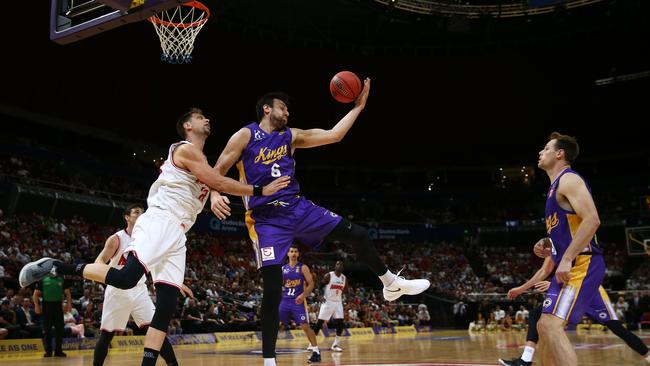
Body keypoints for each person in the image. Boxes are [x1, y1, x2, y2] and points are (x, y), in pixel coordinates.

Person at [19, 108, 290, 366]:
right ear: (188, 125)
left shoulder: (202, 162)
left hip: (179, 233)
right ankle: (56, 265)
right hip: (162, 219)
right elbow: (215, 180)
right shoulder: (185, 149)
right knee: (126, 279)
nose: (207, 119)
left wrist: (216, 194)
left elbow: (212, 181)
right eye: (200, 117)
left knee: (166, 306)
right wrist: (258, 190)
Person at [209, 79, 431, 366]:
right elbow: (217, 170)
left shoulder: (291, 136)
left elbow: (334, 135)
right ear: (267, 109)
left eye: (288, 110)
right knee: (273, 288)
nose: (287, 113)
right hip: (266, 220)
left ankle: (390, 283)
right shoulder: (245, 135)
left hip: (297, 207)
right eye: (282, 108)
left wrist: (358, 107)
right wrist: (214, 194)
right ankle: (268, 361)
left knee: (358, 234)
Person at [499, 248, 650, 365]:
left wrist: (551, 283)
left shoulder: (576, 233)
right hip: (568, 289)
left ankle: (648, 356)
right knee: (537, 316)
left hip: (589, 288)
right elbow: (545, 270)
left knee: (617, 328)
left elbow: (584, 269)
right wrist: (521, 288)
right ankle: (526, 359)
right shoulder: (555, 240)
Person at [532, 132, 606, 366]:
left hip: (582, 263)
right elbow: (569, 227)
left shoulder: (569, 179)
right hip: (570, 264)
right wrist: (547, 242)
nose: (540, 152)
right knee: (544, 326)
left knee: (551, 325)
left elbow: (592, 220)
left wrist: (566, 258)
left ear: (560, 153)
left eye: (546, 148)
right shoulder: (555, 187)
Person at [92, 203, 182, 366]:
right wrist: (112, 276)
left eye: (143, 212)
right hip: (117, 290)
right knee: (107, 335)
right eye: (136, 212)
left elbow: (158, 265)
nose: (142, 214)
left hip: (139, 291)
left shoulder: (148, 239)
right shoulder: (117, 239)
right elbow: (99, 261)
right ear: (127, 217)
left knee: (157, 330)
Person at [279, 245, 321, 363]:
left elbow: (311, 284)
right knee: (277, 324)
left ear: (298, 254)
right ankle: (270, 351)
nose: (293, 253)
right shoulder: (283, 269)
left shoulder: (303, 268)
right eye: (291, 251)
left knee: (304, 326)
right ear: (287, 254)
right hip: (285, 300)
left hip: (298, 301)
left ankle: (316, 352)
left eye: (295, 251)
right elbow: (279, 285)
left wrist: (303, 295)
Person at [313, 261, 347, 353]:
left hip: (338, 302)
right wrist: (319, 295)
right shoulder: (329, 275)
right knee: (320, 322)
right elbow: (320, 285)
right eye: (337, 264)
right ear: (335, 266)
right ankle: (311, 344)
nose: (339, 265)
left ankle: (335, 344)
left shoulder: (344, 278)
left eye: (341, 264)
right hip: (327, 301)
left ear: (343, 267)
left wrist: (341, 297)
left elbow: (344, 290)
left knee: (340, 323)